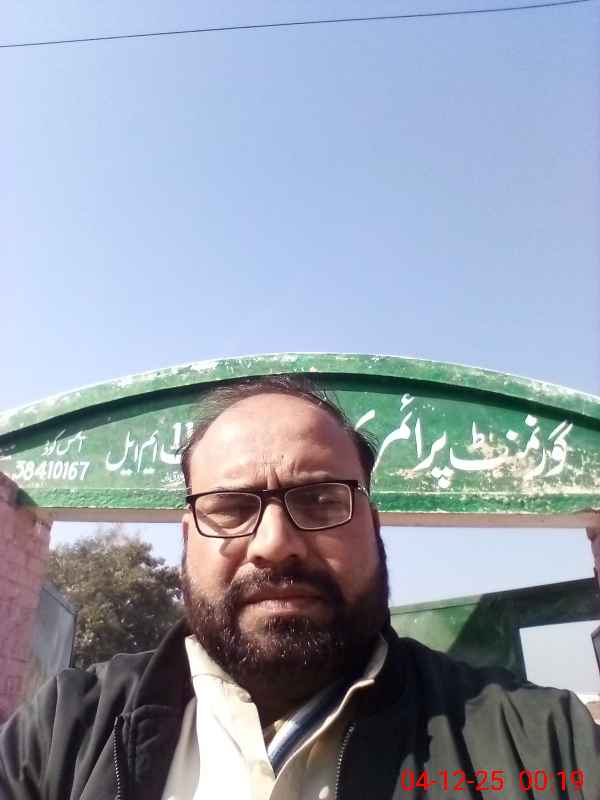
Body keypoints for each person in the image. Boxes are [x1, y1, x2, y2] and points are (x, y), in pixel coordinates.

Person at [1, 376, 599, 800]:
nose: (274, 543)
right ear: (187, 537)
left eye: (319, 500)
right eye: (230, 507)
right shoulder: (61, 735)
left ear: (373, 525)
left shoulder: (546, 747)